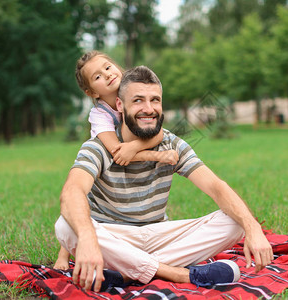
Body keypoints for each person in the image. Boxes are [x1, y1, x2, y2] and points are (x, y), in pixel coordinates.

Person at [55, 66, 273, 292]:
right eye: (138, 100)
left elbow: (217, 187)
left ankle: (125, 274)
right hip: (113, 236)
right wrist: (89, 239)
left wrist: (253, 229)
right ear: (120, 105)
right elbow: (72, 192)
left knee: (236, 221)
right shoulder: (99, 146)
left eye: (155, 100)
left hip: (158, 234)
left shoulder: (172, 143)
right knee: (65, 226)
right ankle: (178, 274)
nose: (148, 109)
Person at [53, 52, 178, 270]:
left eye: (108, 67)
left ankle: (142, 248)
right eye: (98, 76)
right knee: (85, 206)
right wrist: (155, 155)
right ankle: (63, 256)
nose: (108, 75)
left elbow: (158, 132)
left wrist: (137, 145)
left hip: (132, 159)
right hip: (106, 167)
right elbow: (118, 153)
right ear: (91, 91)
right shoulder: (100, 115)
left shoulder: (132, 87)